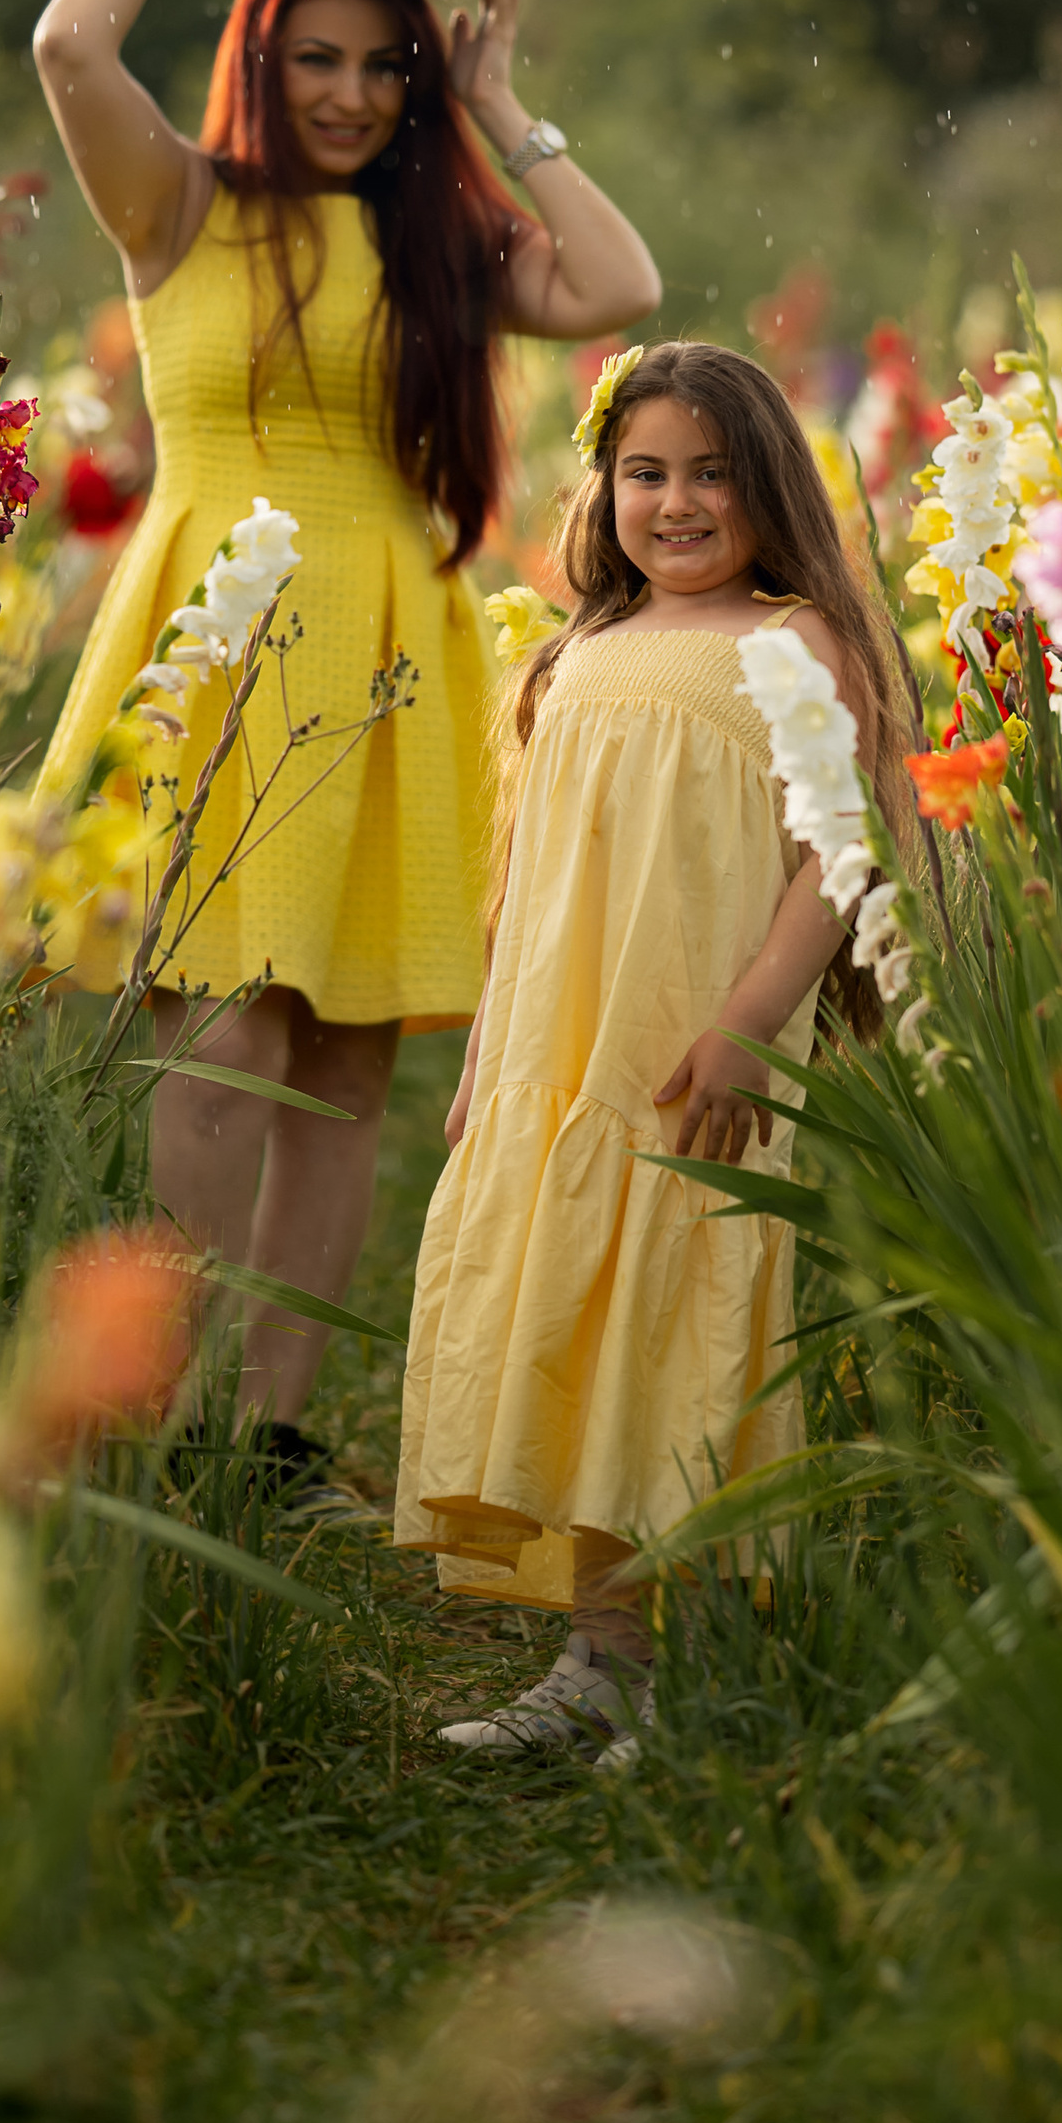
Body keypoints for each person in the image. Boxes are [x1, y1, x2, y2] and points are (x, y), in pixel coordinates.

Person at [29, 0, 662, 1473]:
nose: (349, 94)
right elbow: (67, 41)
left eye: (386, 69)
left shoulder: (438, 245)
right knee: (223, 1030)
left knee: (340, 1056)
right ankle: (149, 1407)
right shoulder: (175, 205)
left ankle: (275, 1435)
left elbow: (617, 281)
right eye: (317, 58)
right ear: (266, 56)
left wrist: (506, 98)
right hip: (215, 638)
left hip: (391, 643)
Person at [396, 340, 916, 1763]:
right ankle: (602, 1655)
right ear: (604, 486)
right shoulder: (577, 652)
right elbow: (534, 877)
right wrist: (491, 1052)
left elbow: (841, 846)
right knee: (577, 1327)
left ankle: (712, 1662)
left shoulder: (797, 638)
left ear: (768, 491)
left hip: (696, 1051)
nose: (676, 503)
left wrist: (753, 1016)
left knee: (684, 1325)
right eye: (646, 474)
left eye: (710, 475)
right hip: (564, 1060)